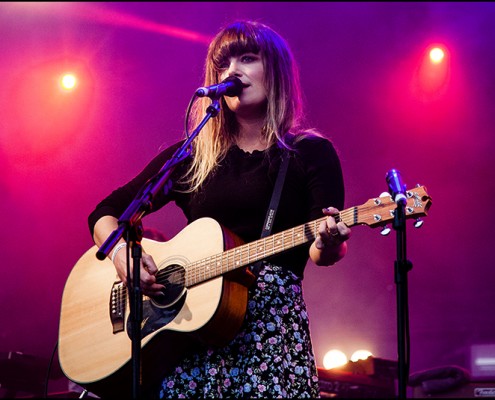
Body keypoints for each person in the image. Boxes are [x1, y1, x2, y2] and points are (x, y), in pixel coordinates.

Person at [88, 19, 351, 399]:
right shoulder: (193, 156)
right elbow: (107, 212)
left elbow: (323, 250)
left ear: (274, 70)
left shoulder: (309, 153)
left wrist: (329, 241)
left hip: (270, 335)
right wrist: (121, 255)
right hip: (192, 342)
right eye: (223, 64)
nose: (233, 71)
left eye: (247, 58)